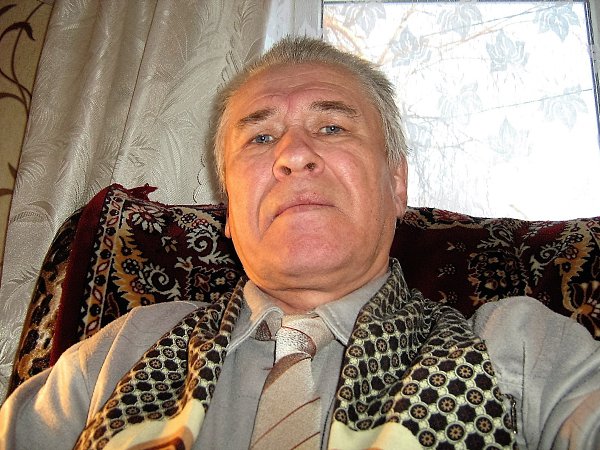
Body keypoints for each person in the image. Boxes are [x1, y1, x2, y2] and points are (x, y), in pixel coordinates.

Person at [1, 36, 599, 450]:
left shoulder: (518, 351)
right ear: (229, 209)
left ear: (397, 184)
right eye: (260, 138)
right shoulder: (116, 356)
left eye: (332, 127)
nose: (292, 155)